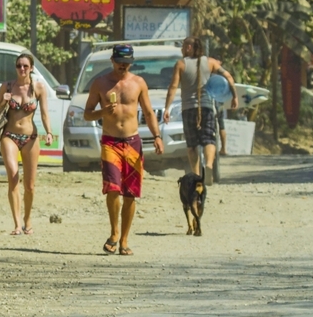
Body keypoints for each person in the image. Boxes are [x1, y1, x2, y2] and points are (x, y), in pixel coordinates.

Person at [83, 44, 163, 256]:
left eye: (127, 62)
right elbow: (87, 114)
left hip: (133, 143)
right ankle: (114, 232)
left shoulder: (138, 83)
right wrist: (102, 111)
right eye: (119, 62)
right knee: (112, 188)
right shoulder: (100, 83)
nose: (123, 66)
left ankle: (125, 240)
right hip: (110, 142)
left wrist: (157, 137)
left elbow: (148, 112)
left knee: (130, 194)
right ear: (112, 60)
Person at [0, 53, 54, 236]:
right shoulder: (7, 86)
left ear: (32, 68)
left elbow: (44, 114)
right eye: (19, 65)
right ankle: (17, 224)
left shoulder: (39, 87)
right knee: (12, 176)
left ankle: (27, 220)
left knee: (30, 185)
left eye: (26, 66)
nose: (22, 69)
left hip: (30, 137)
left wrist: (48, 132)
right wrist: (4, 100)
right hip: (9, 135)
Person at [162, 36, 238, 186]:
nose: (182, 49)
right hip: (207, 107)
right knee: (209, 139)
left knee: (191, 145)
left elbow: (172, 88)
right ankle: (209, 165)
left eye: (183, 46)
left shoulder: (181, 64)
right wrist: (234, 96)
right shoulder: (210, 62)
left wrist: (167, 108)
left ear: (189, 47)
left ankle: (196, 175)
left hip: (188, 109)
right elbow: (228, 76)